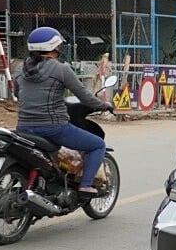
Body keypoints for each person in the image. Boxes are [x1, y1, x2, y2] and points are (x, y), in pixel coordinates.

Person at [13, 27, 114, 197]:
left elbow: (17, 94)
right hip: (54, 128)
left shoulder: (19, 69)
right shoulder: (61, 69)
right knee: (98, 145)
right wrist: (104, 105)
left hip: (23, 128)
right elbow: (85, 97)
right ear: (56, 47)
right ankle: (86, 186)